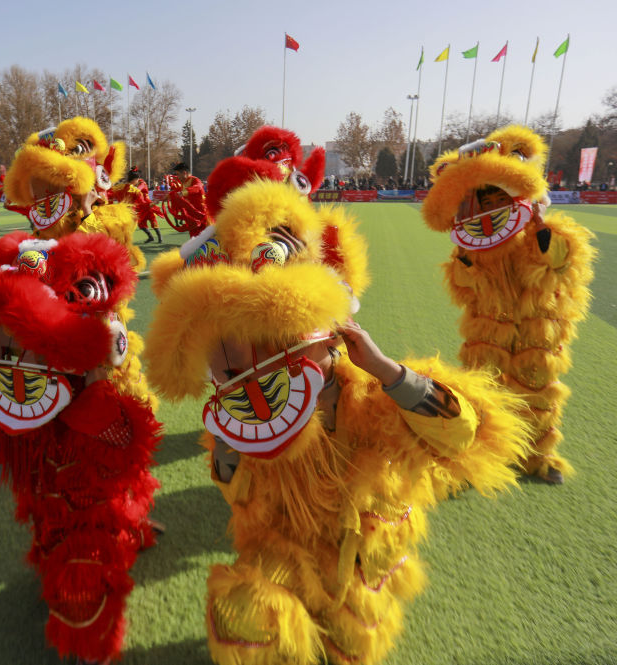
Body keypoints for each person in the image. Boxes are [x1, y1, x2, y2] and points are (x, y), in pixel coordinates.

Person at [144, 145, 530, 665]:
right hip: (284, 551)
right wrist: (232, 440)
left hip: (364, 558)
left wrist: (387, 372)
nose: (255, 370)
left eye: (278, 347)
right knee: (244, 616)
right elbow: (238, 492)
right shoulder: (243, 414)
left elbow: (464, 434)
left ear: (331, 339)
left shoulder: (370, 395)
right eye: (232, 362)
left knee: (351, 643)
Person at [422, 126, 596, 484]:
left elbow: (560, 265)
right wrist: (467, 257)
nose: (493, 209)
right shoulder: (472, 246)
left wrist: (541, 229)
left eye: (499, 200)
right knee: (483, 393)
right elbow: (464, 288)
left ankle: (537, 456)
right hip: (487, 333)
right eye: (486, 203)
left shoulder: (544, 230)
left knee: (537, 393)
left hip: (537, 332)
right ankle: (480, 456)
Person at [111, 166, 162, 243]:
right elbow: (143, 203)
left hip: (121, 213)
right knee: (140, 225)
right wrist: (154, 203)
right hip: (134, 212)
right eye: (137, 179)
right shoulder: (135, 191)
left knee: (120, 233)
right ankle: (152, 237)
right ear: (135, 179)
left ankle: (157, 237)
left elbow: (110, 193)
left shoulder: (120, 187)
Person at [166, 162, 209, 236]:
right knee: (194, 238)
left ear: (184, 173)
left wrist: (184, 192)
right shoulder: (184, 183)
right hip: (192, 217)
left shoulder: (195, 180)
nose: (177, 177)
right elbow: (177, 191)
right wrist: (166, 197)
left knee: (204, 239)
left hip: (201, 216)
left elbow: (198, 187)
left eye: (178, 174)